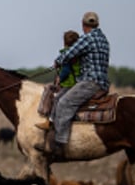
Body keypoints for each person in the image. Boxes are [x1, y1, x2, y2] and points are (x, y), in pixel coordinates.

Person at [36, 11, 109, 160]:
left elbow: (70, 53)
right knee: (60, 98)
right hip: (102, 82)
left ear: (83, 25)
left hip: (90, 82)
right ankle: (52, 132)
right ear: (97, 24)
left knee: (64, 102)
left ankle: (59, 145)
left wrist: (58, 61)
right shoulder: (103, 39)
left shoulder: (88, 38)